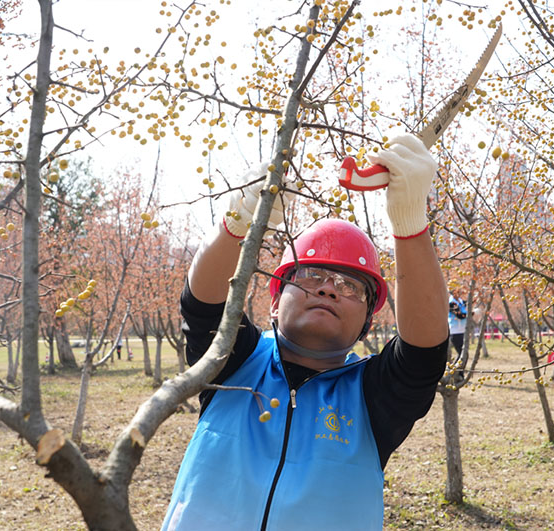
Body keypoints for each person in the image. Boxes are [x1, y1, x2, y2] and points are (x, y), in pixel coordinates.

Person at [162, 134, 449, 530]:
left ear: (367, 323)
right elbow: (202, 305)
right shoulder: (235, 362)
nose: (329, 289)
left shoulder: (373, 396)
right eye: (311, 275)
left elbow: (424, 353)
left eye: (350, 286)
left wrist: (411, 225)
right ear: (275, 302)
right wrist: (236, 222)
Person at [448, 293, 467, 358]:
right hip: (455, 331)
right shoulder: (452, 303)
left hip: (462, 330)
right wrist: (470, 314)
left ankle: (456, 364)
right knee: (462, 354)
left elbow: (468, 303)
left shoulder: (460, 301)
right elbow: (460, 316)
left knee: (462, 354)